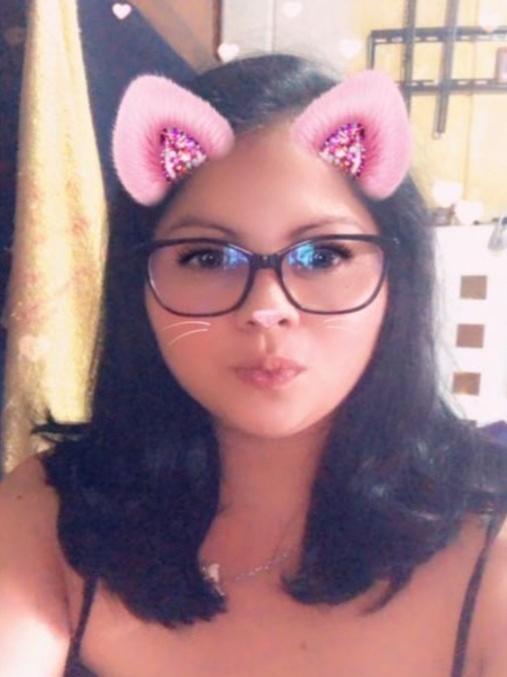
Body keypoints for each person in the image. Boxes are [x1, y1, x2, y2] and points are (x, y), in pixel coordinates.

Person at [1, 53, 507, 677]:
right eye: (209, 257)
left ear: (397, 278)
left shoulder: (491, 542)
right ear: (140, 284)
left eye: (323, 255)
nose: (267, 309)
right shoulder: (52, 513)